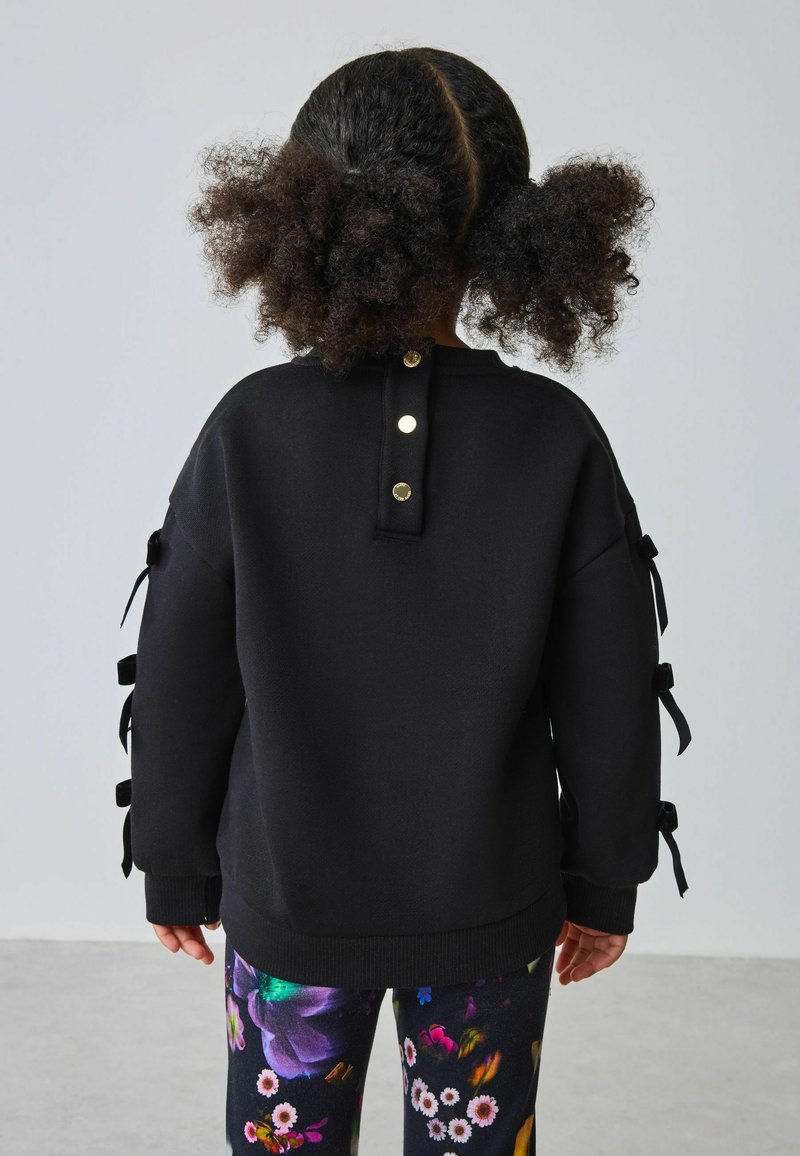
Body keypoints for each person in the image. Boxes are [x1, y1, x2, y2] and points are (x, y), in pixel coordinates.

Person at [114, 45, 691, 1155]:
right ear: (511, 224)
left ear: (303, 211)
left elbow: (181, 664)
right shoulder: (555, 436)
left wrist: (173, 861)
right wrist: (604, 880)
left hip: (288, 906)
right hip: (493, 911)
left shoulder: (248, 428)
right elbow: (611, 686)